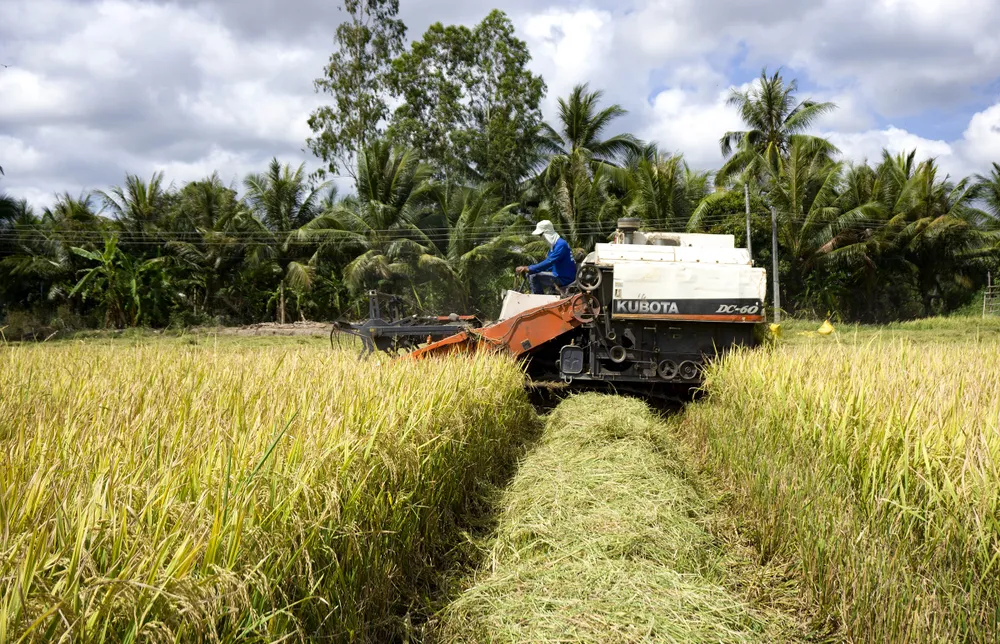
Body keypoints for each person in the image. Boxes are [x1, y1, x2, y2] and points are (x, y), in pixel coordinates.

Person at [516, 220, 577, 294]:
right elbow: (549, 266)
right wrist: (530, 268)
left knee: (534, 276)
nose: (540, 237)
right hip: (559, 275)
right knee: (532, 273)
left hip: (564, 278)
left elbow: (549, 262)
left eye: (541, 235)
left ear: (547, 233)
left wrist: (530, 268)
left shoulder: (561, 245)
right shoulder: (554, 246)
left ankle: (538, 300)